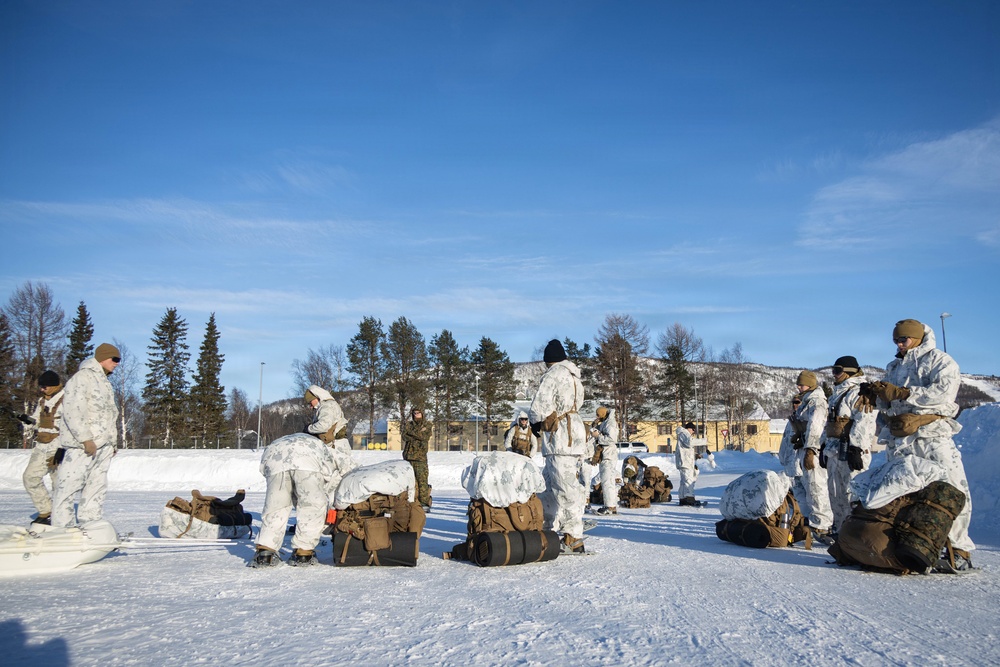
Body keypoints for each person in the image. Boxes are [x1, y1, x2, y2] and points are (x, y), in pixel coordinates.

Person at [861, 318, 975, 567]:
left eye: (903, 339)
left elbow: (943, 393)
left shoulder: (940, 361)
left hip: (932, 436)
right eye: (896, 340)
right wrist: (876, 395)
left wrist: (905, 392)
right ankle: (913, 546)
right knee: (904, 494)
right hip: (900, 440)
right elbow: (889, 404)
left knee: (951, 489)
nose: (899, 345)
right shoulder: (894, 366)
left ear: (918, 337)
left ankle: (958, 549)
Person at [252, 432, 356, 567]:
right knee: (311, 507)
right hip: (307, 463)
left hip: (274, 458)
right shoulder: (328, 449)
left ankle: (265, 553)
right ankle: (303, 553)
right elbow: (352, 469)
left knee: (276, 507)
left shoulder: (291, 439)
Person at [50, 343, 121, 528]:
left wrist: (112, 443)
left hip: (103, 445)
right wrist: (85, 439)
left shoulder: (104, 382)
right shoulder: (81, 378)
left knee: (96, 486)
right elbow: (73, 410)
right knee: (68, 486)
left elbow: (109, 414)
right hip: (83, 446)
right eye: (115, 359)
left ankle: (91, 524)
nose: (117, 363)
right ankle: (61, 527)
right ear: (103, 358)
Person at [529, 339, 587, 553]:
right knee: (549, 485)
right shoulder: (575, 376)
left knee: (564, 488)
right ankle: (547, 525)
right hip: (575, 434)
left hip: (560, 437)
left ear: (548, 361)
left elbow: (539, 405)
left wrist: (535, 422)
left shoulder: (553, 374)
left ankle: (573, 536)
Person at [823, 356, 876, 534]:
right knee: (835, 494)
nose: (834, 374)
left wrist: (856, 448)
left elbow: (863, 422)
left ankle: (856, 534)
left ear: (849, 372)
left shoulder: (859, 393)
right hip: (835, 451)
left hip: (851, 452)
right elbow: (829, 423)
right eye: (833, 370)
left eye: (837, 370)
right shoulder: (836, 394)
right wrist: (824, 445)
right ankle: (841, 531)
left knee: (852, 493)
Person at [790, 370, 833, 542]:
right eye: (798, 384)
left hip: (813, 452)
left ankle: (822, 525)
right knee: (807, 488)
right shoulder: (806, 402)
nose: (799, 387)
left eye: (802, 384)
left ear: (811, 384)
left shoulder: (816, 402)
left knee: (817, 488)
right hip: (805, 449)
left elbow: (815, 428)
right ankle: (812, 522)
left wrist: (810, 449)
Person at [21, 371, 64, 525]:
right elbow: (37, 422)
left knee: (59, 485)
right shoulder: (42, 402)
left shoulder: (67, 400)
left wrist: (62, 449)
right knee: (30, 477)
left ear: (53, 385)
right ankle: (46, 511)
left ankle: (61, 518)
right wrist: (28, 420)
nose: (42, 389)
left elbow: (71, 426)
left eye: (44, 387)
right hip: (41, 446)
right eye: (41, 387)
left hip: (58, 448)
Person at [304, 385, 352, 456]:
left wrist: (309, 429)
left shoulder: (327, 406)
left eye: (310, 402)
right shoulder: (324, 406)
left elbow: (323, 426)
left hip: (337, 450)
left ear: (316, 398)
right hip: (334, 448)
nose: (310, 406)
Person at [589, 406, 619, 515]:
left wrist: (598, 436)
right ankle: (611, 505)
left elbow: (611, 439)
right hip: (605, 455)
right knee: (607, 481)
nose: (597, 417)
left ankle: (610, 507)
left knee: (607, 481)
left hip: (608, 455)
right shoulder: (605, 422)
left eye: (598, 415)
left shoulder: (610, 423)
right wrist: (595, 427)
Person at [402, 407, 433, 509]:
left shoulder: (427, 425)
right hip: (408, 457)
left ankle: (424, 503)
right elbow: (404, 436)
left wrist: (411, 433)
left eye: (418, 413)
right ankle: (412, 501)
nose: (416, 415)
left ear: (422, 413)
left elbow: (424, 436)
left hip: (420, 458)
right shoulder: (409, 424)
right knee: (410, 482)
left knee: (422, 481)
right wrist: (417, 433)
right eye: (414, 413)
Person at [675, 422, 704, 506]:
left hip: (685, 461)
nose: (693, 432)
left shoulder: (683, 434)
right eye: (693, 430)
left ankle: (683, 498)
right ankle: (689, 498)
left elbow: (685, 450)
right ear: (690, 428)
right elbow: (690, 443)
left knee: (684, 481)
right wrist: (703, 441)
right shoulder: (684, 433)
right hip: (685, 462)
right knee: (688, 480)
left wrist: (695, 455)